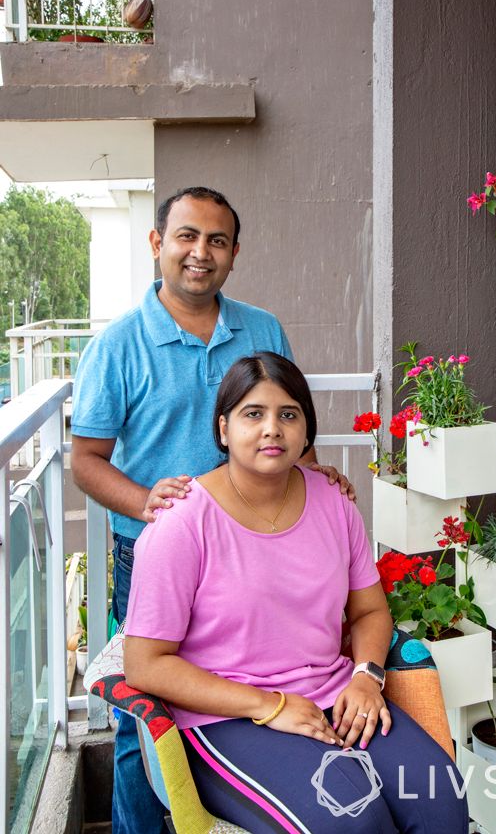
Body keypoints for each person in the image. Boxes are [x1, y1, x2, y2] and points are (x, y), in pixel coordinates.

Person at [71, 187, 354, 834]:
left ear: (233, 254)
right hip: (154, 558)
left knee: (245, 695)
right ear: (157, 245)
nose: (201, 253)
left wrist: (314, 473)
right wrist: (144, 501)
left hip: (261, 553)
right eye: (187, 237)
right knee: (144, 719)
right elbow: (85, 460)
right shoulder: (117, 347)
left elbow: (283, 428)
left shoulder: (262, 330)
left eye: (217, 241)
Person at [123, 353, 468, 833]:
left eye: (288, 415)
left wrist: (368, 677)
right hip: (226, 718)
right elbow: (144, 663)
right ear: (223, 429)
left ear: (306, 431)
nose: (272, 429)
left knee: (440, 800)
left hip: (334, 692)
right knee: (352, 820)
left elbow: (369, 610)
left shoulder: (334, 504)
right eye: (253, 414)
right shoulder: (183, 524)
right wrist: (269, 705)